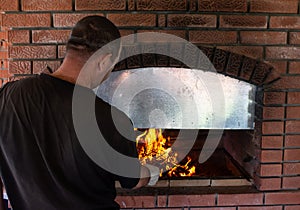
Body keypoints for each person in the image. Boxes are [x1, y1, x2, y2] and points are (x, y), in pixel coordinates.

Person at [0, 15, 159, 210]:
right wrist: (152, 171)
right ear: (105, 60)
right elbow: (133, 181)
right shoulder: (111, 119)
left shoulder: (9, 95)